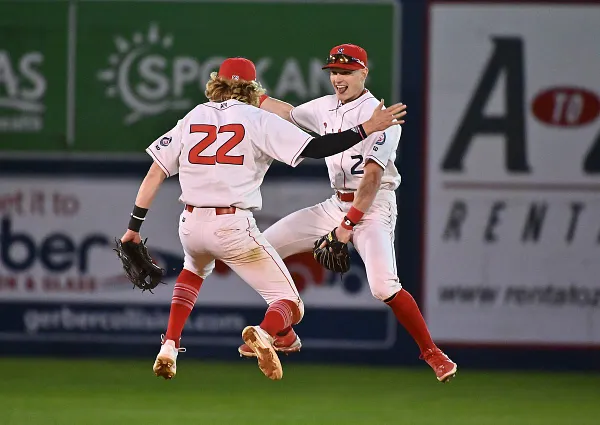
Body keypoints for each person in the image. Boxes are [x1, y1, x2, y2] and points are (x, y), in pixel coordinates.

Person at [119, 57, 407, 381]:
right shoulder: (256, 118)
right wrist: (367, 127)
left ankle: (169, 345)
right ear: (252, 89)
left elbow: (156, 171)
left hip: (190, 224)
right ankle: (265, 333)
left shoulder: (193, 116)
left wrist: (133, 228)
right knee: (289, 303)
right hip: (231, 225)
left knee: (193, 269)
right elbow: (316, 147)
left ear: (218, 83)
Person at [238, 44, 457, 383]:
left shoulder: (380, 117)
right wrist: (251, 94)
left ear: (364, 73)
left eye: (347, 72)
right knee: (259, 252)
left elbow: (371, 179)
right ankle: (282, 334)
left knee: (384, 287)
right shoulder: (326, 106)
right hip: (335, 204)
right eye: (334, 72)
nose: (338, 79)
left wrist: (347, 226)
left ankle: (432, 352)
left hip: (372, 207)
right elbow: (290, 114)